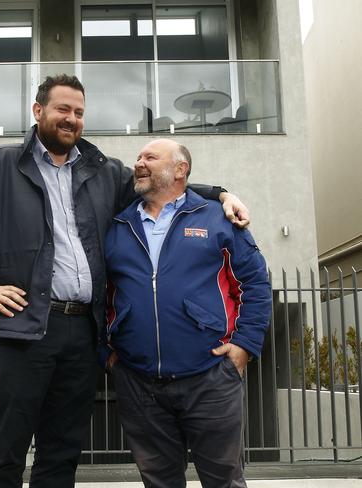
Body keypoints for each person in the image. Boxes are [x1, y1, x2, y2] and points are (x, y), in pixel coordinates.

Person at [0, 75, 249, 488]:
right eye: (62, 109)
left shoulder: (104, 172)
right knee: (6, 450)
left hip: (82, 332)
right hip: (22, 329)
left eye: (78, 112)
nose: (71, 119)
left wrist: (221, 194)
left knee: (62, 451)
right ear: (38, 111)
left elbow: (164, 186)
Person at [102, 139, 271, 488]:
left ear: (180, 169)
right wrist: (107, 352)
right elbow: (97, 292)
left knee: (223, 480)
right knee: (159, 482)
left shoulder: (217, 219)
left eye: (151, 157)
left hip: (210, 378)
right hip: (138, 381)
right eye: (138, 157)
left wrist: (244, 346)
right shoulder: (117, 224)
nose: (139, 163)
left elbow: (254, 283)